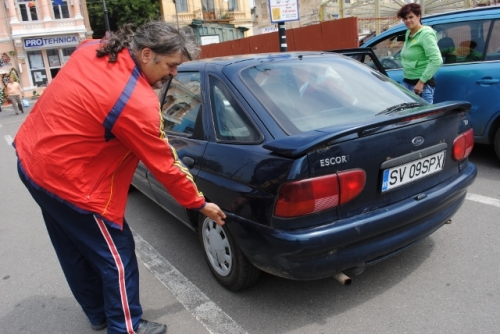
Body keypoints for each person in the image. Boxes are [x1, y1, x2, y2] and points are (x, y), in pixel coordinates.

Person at [14, 21, 226, 334]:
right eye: (171, 65)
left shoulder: (92, 49)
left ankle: (98, 314)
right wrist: (198, 203)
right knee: (116, 256)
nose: (173, 75)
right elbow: (165, 163)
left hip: (33, 160)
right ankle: (126, 327)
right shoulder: (136, 102)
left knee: (72, 246)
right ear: (146, 54)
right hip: (70, 183)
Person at [397, 3, 443, 103]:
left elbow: (437, 60)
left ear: (418, 16)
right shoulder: (409, 33)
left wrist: (421, 82)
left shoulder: (425, 34)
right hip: (407, 82)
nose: (408, 20)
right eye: (405, 18)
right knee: (408, 117)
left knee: (423, 118)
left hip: (421, 86)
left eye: (411, 17)